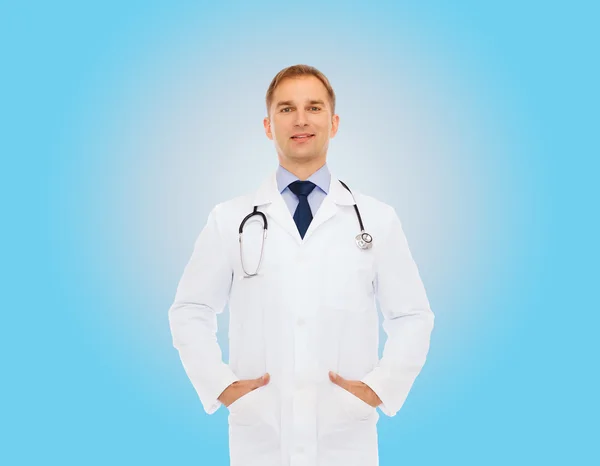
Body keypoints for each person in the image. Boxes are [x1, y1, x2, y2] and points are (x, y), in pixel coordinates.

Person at [168, 64, 434, 466]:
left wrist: (380, 388)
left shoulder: (377, 219)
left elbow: (413, 316)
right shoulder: (230, 219)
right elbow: (190, 310)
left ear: (334, 121)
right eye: (286, 109)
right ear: (267, 124)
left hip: (345, 433)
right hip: (261, 432)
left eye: (313, 107)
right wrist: (220, 385)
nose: (301, 119)